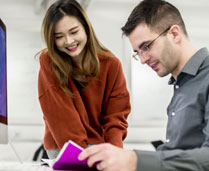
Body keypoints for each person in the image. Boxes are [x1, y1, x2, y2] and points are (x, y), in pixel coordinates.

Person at [79, 0, 209, 170]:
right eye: (137, 53)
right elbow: (177, 152)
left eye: (146, 47)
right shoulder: (182, 85)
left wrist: (135, 160)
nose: (142, 60)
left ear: (175, 34)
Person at [38, 0, 131, 159]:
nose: (68, 41)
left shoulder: (111, 64)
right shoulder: (49, 61)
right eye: (59, 36)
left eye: (74, 32)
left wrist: (115, 153)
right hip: (64, 145)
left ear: (86, 28)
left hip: (99, 144)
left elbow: (116, 115)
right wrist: (79, 157)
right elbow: (62, 115)